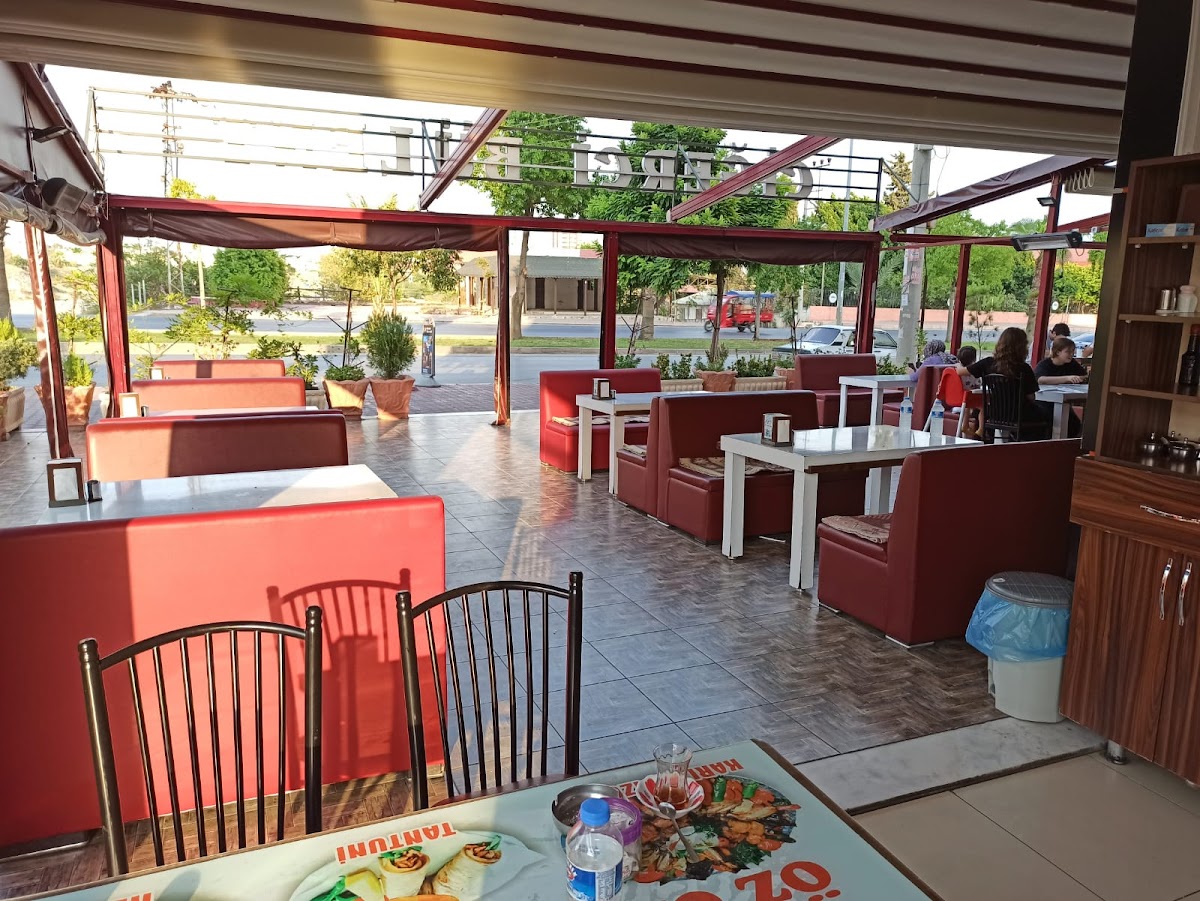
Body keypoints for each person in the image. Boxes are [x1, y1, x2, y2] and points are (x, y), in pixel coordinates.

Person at [956, 327, 1048, 440]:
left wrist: (957, 364)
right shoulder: (1024, 368)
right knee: (1046, 414)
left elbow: (960, 372)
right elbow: (1031, 396)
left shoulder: (988, 363)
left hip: (994, 413)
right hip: (1019, 414)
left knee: (978, 411)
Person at [1034, 336, 1086, 437]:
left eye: (1073, 351)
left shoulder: (1072, 363)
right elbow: (1040, 379)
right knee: (1053, 420)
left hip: (1064, 400)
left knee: (1074, 423)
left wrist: (1078, 378)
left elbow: (1083, 375)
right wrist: (1066, 378)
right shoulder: (1045, 364)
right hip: (1044, 402)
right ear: (1058, 352)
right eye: (1068, 352)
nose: (1071, 354)